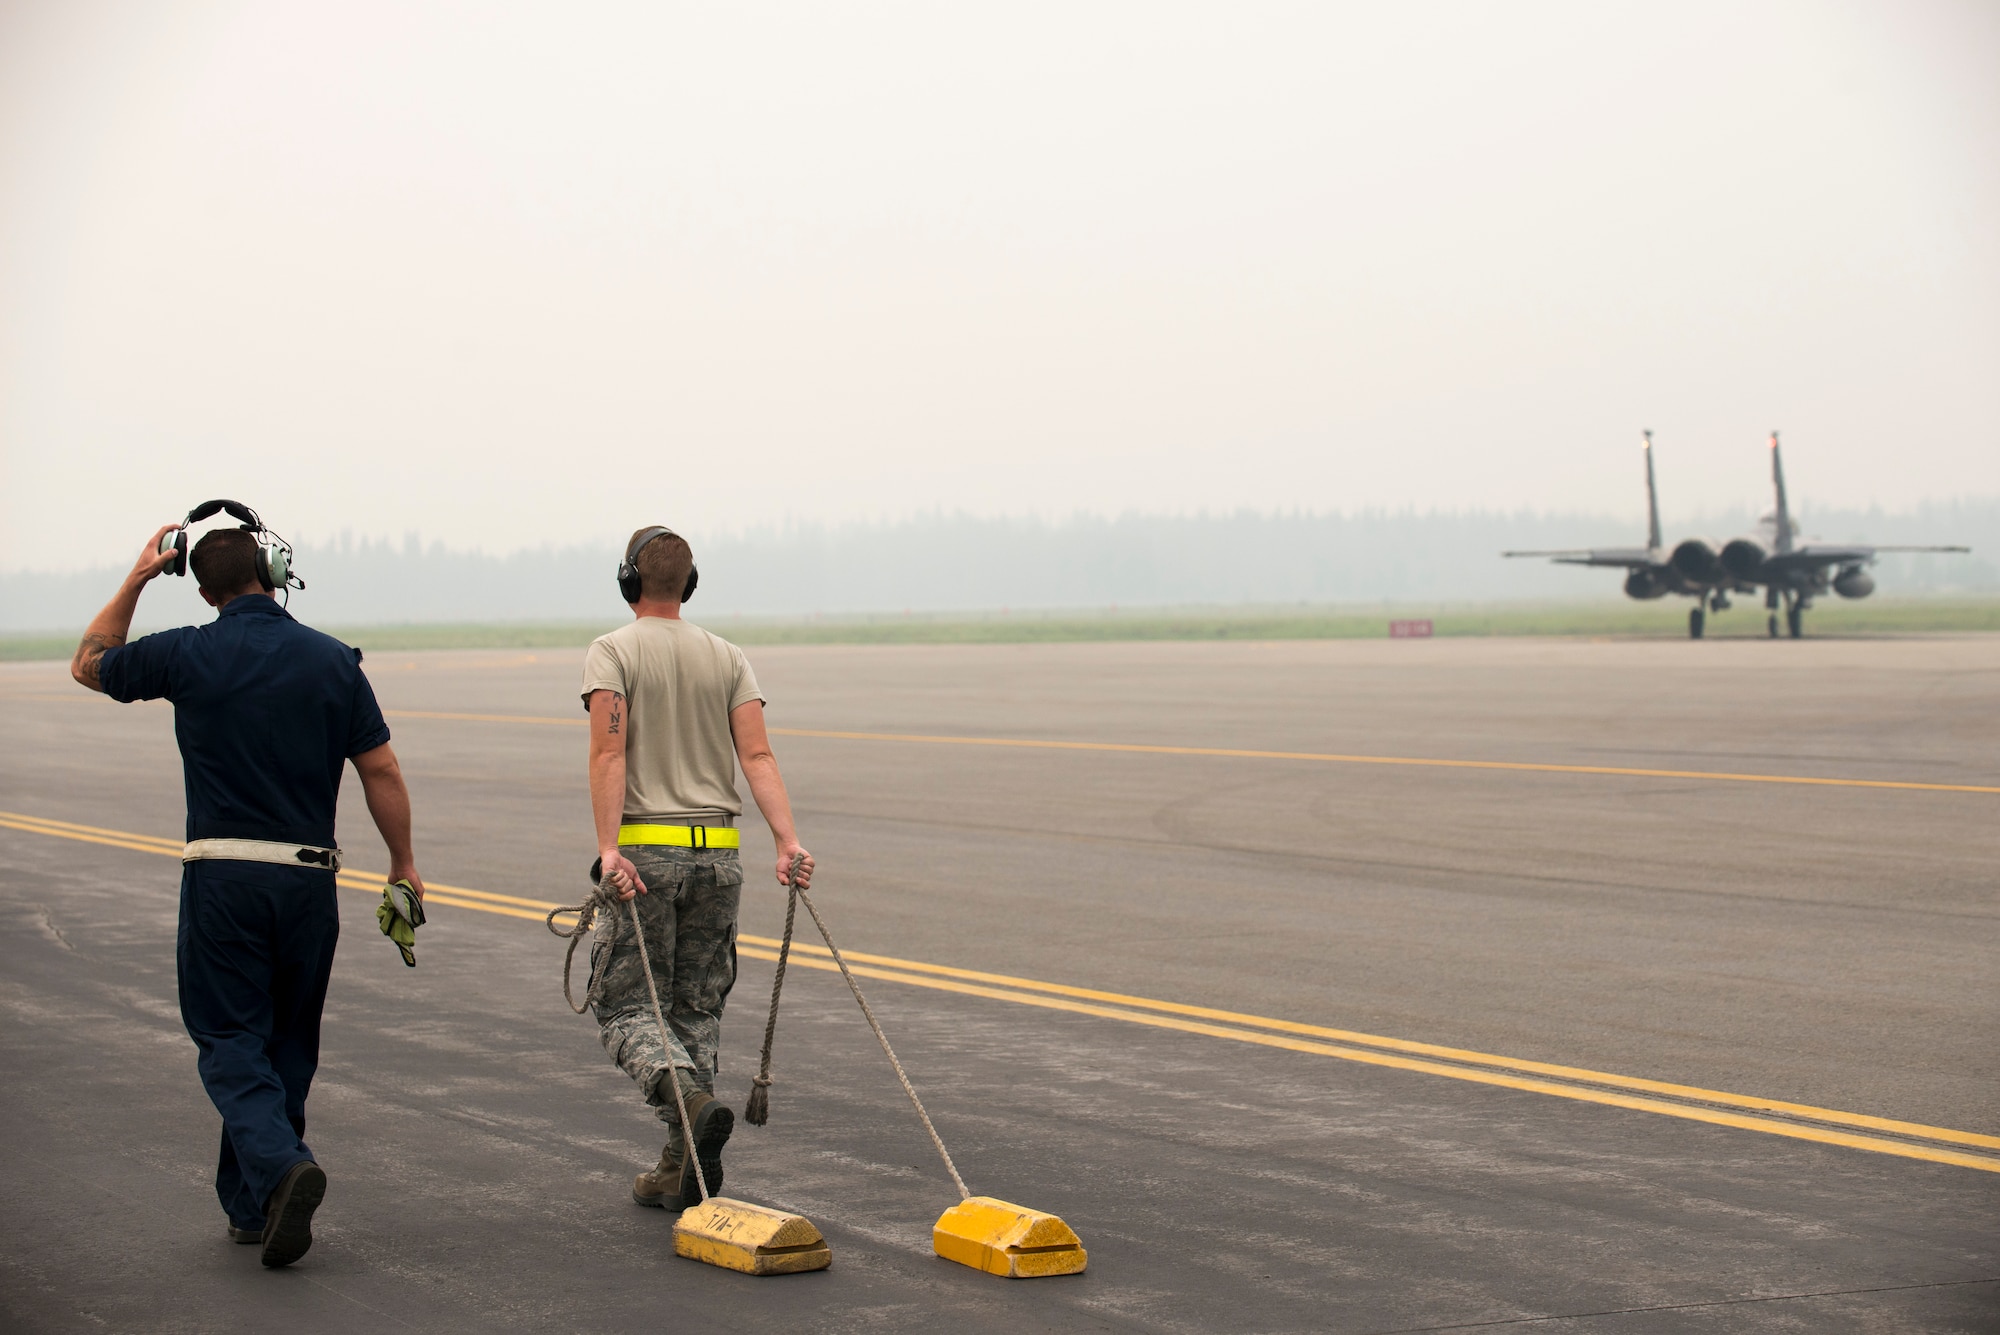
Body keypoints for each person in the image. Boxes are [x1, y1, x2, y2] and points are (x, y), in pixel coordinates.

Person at [71, 518, 422, 1268]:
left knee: (230, 1038)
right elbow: (382, 770)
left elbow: (89, 662)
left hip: (225, 877)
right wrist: (402, 863)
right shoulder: (333, 660)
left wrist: (136, 578)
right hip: (308, 882)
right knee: (287, 1042)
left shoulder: (186, 651)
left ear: (201, 591)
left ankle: (282, 1164)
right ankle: (256, 1202)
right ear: (273, 569)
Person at [581, 525, 813, 1210]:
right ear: (691, 581)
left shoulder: (612, 651)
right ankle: (682, 1161)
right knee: (695, 1008)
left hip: (647, 855)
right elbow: (759, 757)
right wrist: (787, 841)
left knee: (624, 1005)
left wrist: (607, 850)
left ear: (630, 581)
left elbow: (608, 754)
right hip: (719, 856)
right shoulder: (728, 655)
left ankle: (684, 1097)